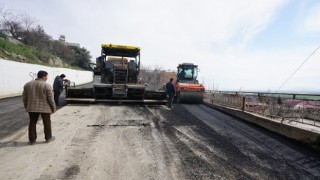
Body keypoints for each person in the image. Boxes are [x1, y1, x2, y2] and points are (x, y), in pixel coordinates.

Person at [23, 70, 56, 145]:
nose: (47, 78)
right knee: (47, 123)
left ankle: (32, 140)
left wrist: (26, 105)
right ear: (44, 76)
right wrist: (53, 107)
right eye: (46, 76)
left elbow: (24, 97)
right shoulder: (46, 85)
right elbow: (50, 98)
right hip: (45, 107)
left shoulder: (28, 85)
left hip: (31, 107)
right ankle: (48, 138)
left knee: (32, 122)